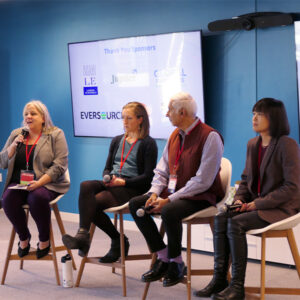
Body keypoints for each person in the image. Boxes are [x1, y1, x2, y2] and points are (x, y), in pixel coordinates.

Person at [194, 98, 300, 300]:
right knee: (221, 217)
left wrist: (257, 204)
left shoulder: (288, 145)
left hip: (281, 208)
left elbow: (292, 188)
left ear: (274, 117)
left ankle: (237, 286)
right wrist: (240, 200)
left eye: (259, 114)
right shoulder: (253, 144)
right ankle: (219, 279)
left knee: (236, 223)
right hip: (255, 205)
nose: (254, 118)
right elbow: (245, 180)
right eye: (253, 114)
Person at [129, 92, 224, 287]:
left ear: (182, 112)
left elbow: (202, 181)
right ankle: (163, 257)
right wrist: (154, 193)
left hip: (200, 195)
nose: (166, 115)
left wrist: (169, 200)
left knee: (169, 210)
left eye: (169, 110)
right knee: (136, 204)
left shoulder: (210, 136)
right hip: (174, 193)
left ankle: (177, 263)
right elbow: (162, 170)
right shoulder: (174, 135)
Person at [62, 102, 158, 262]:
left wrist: (123, 183)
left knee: (93, 204)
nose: (124, 122)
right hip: (114, 183)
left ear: (140, 119)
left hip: (132, 187)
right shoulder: (117, 140)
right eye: (123, 118)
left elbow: (148, 177)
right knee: (85, 185)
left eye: (129, 118)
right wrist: (108, 177)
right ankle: (83, 235)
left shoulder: (148, 143)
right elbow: (107, 168)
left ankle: (115, 240)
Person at [0, 100, 69, 259]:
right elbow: (2, 162)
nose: (28, 117)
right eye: (26, 114)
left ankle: (44, 239)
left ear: (43, 117)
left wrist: (39, 183)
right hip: (20, 183)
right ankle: (24, 238)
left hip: (46, 183)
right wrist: (11, 149)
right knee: (7, 199)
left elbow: (60, 165)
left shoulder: (55, 134)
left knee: (36, 197)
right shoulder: (16, 134)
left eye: (33, 114)